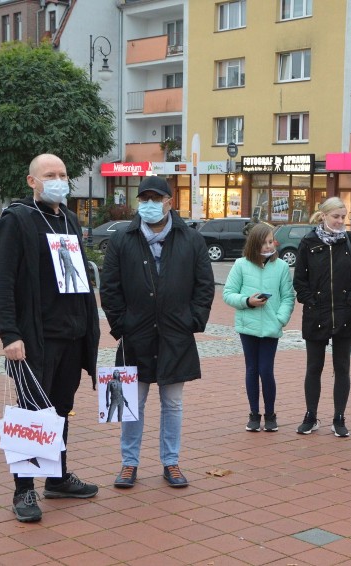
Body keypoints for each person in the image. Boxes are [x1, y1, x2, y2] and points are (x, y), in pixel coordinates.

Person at [0, 153, 101, 523]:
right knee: (32, 414)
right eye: (50, 175)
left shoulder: (68, 217)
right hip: (36, 338)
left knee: (61, 410)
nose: (59, 180)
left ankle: (57, 478)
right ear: (32, 181)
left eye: (63, 174)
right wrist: (10, 334)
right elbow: (2, 282)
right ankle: (23, 490)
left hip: (73, 335)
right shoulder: (18, 219)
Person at [102, 175, 215, 489]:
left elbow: (204, 286)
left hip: (175, 335)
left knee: (173, 404)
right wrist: (121, 325)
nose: (150, 204)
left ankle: (171, 461)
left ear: (169, 201)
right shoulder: (123, 239)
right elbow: (109, 288)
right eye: (144, 199)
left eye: (156, 198)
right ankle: (129, 463)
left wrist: (192, 320)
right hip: (135, 336)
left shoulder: (190, 239)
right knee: (131, 404)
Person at [292, 197, 351, 437]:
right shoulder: (308, 242)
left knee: (342, 367)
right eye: (335, 216)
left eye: (343, 217)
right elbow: (299, 281)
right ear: (323, 216)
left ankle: (339, 417)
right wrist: (311, 301)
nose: (339, 221)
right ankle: (311, 415)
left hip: (346, 313)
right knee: (314, 367)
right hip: (316, 313)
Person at [223, 223, 295, 432]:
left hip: (271, 328)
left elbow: (288, 297)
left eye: (270, 242)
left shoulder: (281, 266)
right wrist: (247, 301)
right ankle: (254, 414)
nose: (267, 246)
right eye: (263, 242)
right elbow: (228, 293)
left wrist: (279, 319)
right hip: (248, 326)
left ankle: (270, 414)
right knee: (252, 370)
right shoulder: (241, 265)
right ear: (254, 244)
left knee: (266, 370)